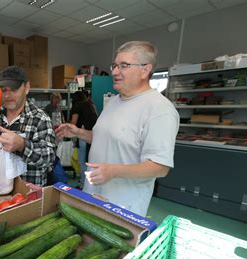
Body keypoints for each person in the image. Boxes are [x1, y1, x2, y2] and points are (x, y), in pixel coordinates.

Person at [56, 41, 179, 217]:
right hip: (93, 193)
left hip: (122, 205)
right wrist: (80, 133)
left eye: (124, 66)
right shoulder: (114, 101)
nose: (114, 72)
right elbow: (105, 139)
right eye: (114, 65)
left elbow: (159, 167)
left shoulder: (160, 110)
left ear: (145, 70)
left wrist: (113, 171)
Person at [0, 66, 56, 187]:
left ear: (26, 88)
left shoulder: (40, 119)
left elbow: (49, 158)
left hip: (28, 197)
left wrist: (22, 145)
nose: (7, 96)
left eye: (13, 89)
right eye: (4, 90)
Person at [70, 90, 98, 188]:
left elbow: (73, 123)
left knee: (82, 161)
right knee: (90, 161)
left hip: (83, 135)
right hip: (94, 135)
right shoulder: (91, 105)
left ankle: (83, 184)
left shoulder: (77, 106)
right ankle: (89, 184)